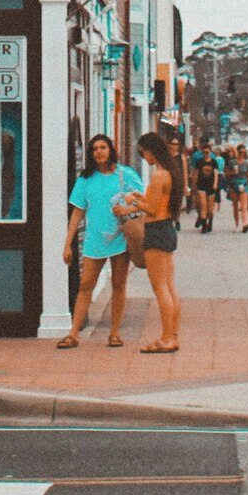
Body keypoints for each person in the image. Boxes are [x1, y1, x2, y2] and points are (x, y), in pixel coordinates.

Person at [60, 134, 143, 348]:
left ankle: (114, 333)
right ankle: (73, 333)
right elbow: (77, 213)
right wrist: (67, 243)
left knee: (118, 284)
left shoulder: (125, 175)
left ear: (110, 149)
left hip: (120, 238)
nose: (99, 151)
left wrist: (128, 208)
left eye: (103, 147)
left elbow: (144, 201)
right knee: (86, 284)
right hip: (94, 240)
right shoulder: (85, 180)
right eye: (95, 148)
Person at [123, 132, 182, 354]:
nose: (144, 157)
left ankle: (166, 338)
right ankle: (172, 336)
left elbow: (152, 209)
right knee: (169, 287)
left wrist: (134, 200)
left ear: (152, 150)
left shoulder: (159, 175)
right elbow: (159, 202)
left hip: (156, 230)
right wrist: (142, 195)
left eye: (144, 153)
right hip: (166, 228)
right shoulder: (170, 173)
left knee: (160, 289)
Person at [193, 142, 220, 234]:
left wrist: (215, 184)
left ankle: (210, 221)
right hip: (201, 185)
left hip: (211, 185)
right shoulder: (199, 162)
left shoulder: (214, 162)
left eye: (207, 152)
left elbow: (216, 174)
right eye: (204, 152)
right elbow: (196, 174)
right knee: (203, 205)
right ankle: (204, 226)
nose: (205, 154)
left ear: (210, 152)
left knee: (210, 207)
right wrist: (194, 185)